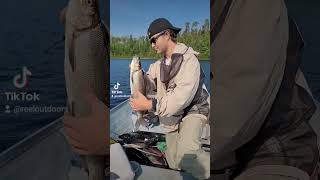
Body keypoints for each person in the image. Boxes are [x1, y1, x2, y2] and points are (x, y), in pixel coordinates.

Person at [212, 0, 319, 179]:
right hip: (222, 148)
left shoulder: (255, 6)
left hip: (279, 142)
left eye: (154, 39)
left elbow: (236, 109)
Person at [129, 18, 210, 179]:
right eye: (150, 41)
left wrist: (149, 104)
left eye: (153, 39)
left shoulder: (189, 60)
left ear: (167, 34)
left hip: (193, 110)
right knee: (173, 161)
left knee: (187, 156)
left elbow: (180, 98)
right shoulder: (158, 65)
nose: (152, 45)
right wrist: (138, 74)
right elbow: (149, 83)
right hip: (171, 115)